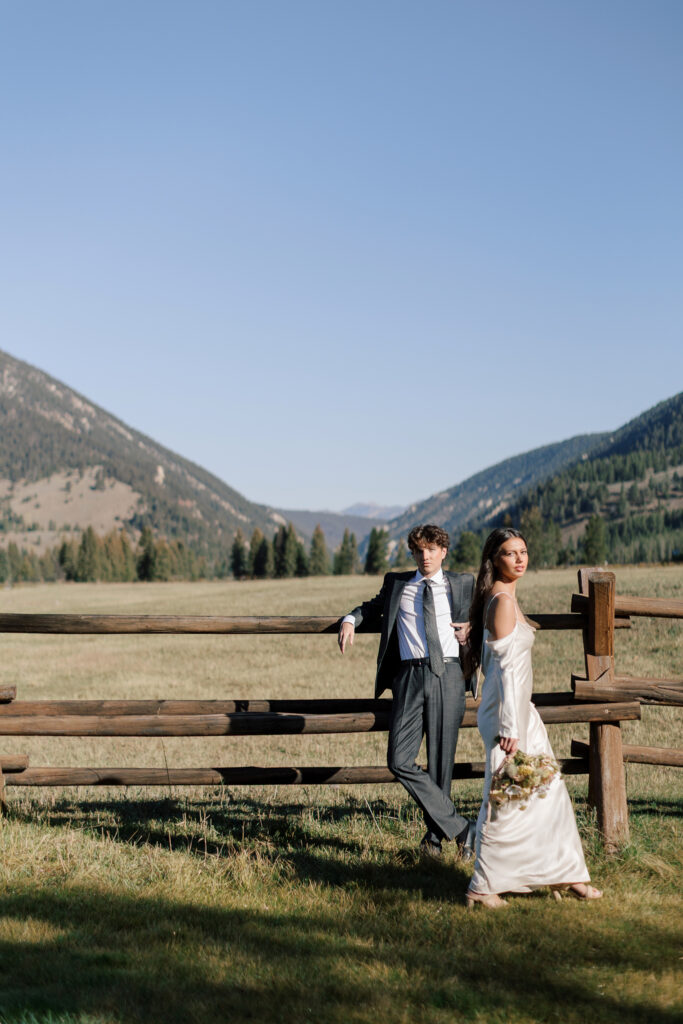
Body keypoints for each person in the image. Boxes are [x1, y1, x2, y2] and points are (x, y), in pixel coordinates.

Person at [465, 527, 602, 908]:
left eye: (523, 551)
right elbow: (507, 670)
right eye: (510, 553)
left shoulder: (504, 598)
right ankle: (482, 886)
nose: (520, 559)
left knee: (546, 791)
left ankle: (567, 875)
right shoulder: (503, 602)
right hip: (509, 716)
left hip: (521, 711)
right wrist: (511, 727)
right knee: (508, 796)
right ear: (495, 559)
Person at [338, 524, 476, 859]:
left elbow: (487, 614)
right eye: (419, 550)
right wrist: (349, 620)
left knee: (441, 761)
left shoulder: (462, 583)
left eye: (431, 549)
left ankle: (433, 840)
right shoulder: (398, 583)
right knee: (398, 759)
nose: (425, 556)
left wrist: (473, 626)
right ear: (412, 553)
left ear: (443, 551)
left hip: (448, 674)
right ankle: (462, 829)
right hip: (408, 676)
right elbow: (371, 607)